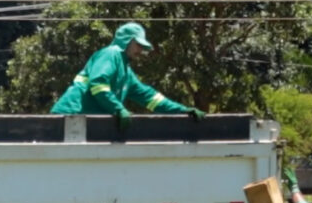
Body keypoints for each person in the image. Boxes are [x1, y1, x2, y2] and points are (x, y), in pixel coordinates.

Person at [50, 22, 205, 130]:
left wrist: (181, 110)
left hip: (83, 119)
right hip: (70, 115)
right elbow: (98, 84)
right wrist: (118, 109)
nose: (140, 51)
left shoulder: (126, 71)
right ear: (127, 40)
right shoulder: (111, 53)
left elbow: (150, 98)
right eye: (138, 45)